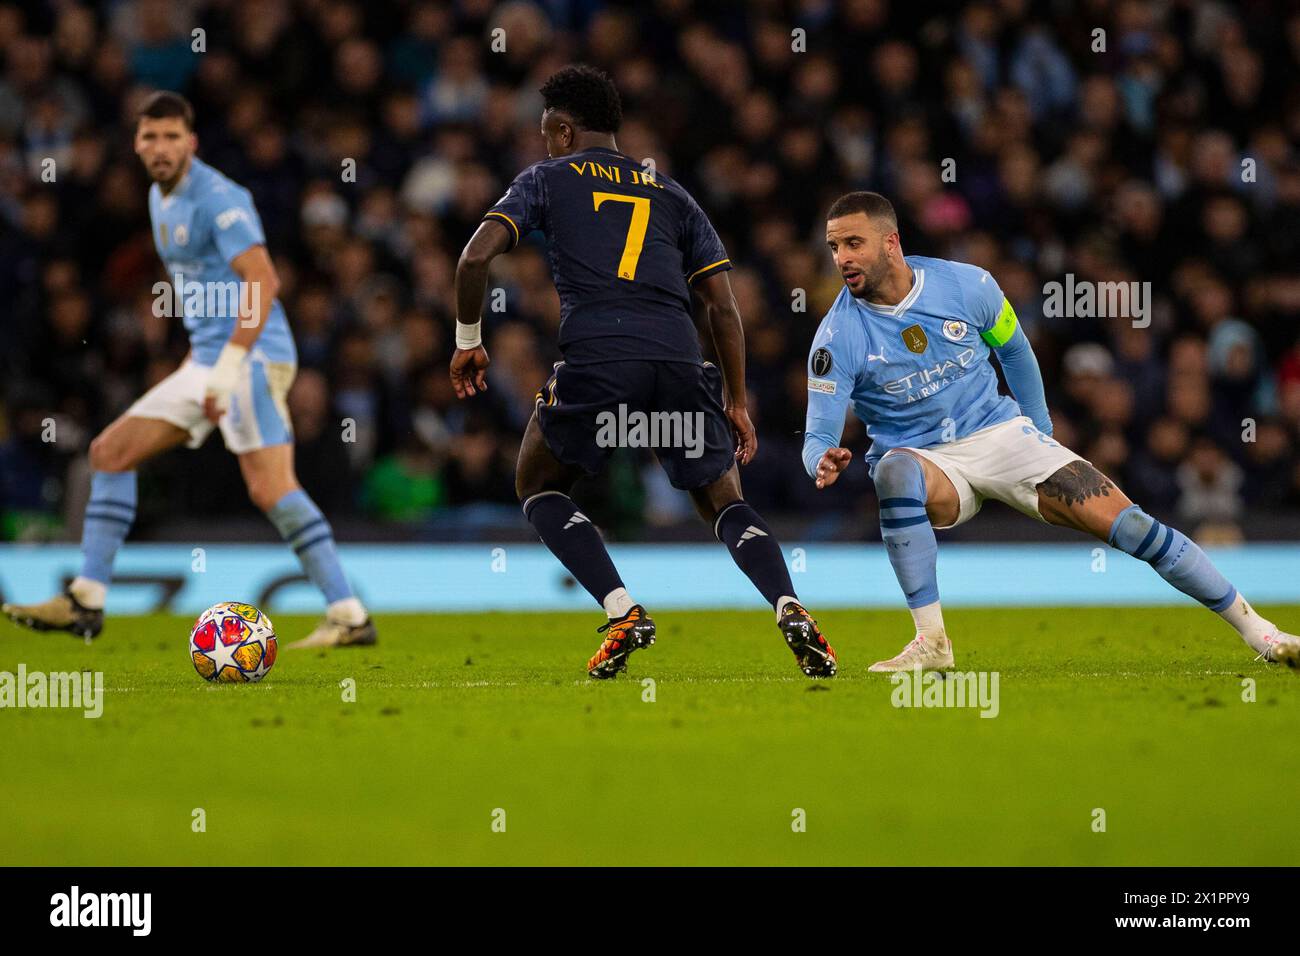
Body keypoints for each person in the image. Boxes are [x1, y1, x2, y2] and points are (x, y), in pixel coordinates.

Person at [804, 191, 1299, 672]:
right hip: (926, 463)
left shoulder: (967, 286)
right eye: (834, 247)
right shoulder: (837, 336)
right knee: (892, 471)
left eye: (853, 243)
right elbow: (817, 437)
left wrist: (1039, 433)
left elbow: (1015, 351)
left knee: (1132, 527)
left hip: (1000, 435)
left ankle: (1260, 632)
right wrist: (822, 459)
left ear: (891, 242)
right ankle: (931, 641)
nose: (841, 258)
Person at [450, 66, 836, 679]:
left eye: (549, 132)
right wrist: (736, 400)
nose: (546, 142)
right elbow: (724, 308)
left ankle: (622, 609)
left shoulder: (545, 179)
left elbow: (473, 258)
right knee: (723, 502)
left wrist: (469, 340)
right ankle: (789, 605)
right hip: (680, 361)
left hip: (600, 361)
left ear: (564, 130)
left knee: (538, 485)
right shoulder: (670, 192)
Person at [2, 92, 375, 650]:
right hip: (207, 358)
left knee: (271, 487)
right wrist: (198, 358)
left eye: (172, 136)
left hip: (250, 357)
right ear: (136, 143)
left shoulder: (218, 197)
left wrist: (226, 367)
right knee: (109, 453)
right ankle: (87, 599)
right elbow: (204, 293)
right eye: (150, 137)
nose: (160, 147)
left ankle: (348, 614)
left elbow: (263, 283)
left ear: (191, 142)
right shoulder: (159, 198)